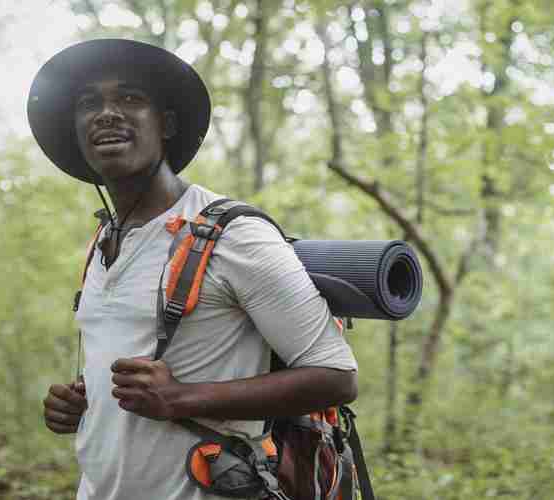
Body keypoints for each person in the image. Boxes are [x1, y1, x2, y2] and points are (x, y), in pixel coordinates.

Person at [27, 39, 358, 500]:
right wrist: (82, 404)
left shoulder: (233, 234)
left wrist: (180, 398)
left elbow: (337, 376)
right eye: (89, 103)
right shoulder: (104, 241)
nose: (106, 113)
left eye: (130, 98)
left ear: (166, 125)